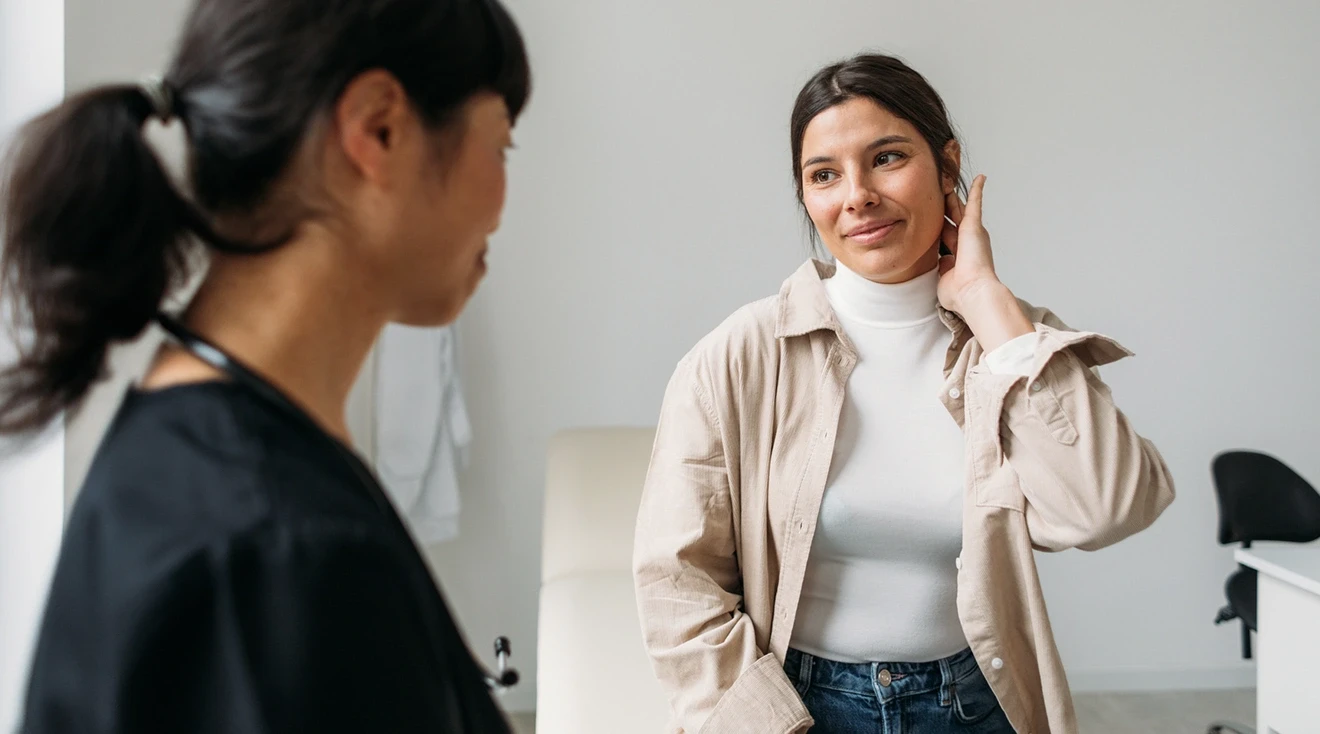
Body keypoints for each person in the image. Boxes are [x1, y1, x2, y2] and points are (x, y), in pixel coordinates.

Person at [0, 0, 530, 731]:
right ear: (379, 128)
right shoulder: (282, 555)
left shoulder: (205, 459)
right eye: (501, 146)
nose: (503, 203)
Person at [633, 53, 1175, 734]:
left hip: (979, 704)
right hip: (797, 707)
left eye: (886, 158)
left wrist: (987, 301)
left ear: (947, 166)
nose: (856, 195)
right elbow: (676, 580)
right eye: (824, 174)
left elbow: (1109, 508)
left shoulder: (1010, 344)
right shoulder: (739, 355)